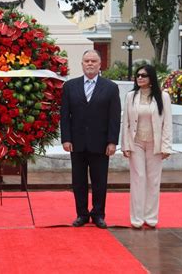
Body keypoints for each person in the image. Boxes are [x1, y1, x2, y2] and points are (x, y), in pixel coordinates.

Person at [60, 50, 121, 229]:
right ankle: (82, 214)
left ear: (99, 64)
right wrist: (66, 139)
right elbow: (65, 116)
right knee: (78, 182)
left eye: (93, 61)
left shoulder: (110, 87)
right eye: (86, 60)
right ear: (82, 64)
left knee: (99, 181)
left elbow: (114, 117)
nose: (90, 64)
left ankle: (98, 214)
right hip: (77, 143)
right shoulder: (70, 86)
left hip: (101, 144)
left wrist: (112, 141)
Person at [121, 64, 172, 229]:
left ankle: (150, 218)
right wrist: (125, 145)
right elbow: (126, 123)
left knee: (153, 180)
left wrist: (166, 147)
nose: (140, 78)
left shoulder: (163, 97)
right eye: (138, 75)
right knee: (138, 179)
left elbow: (167, 124)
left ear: (151, 78)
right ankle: (136, 218)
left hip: (155, 144)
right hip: (136, 143)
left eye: (143, 75)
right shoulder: (131, 96)